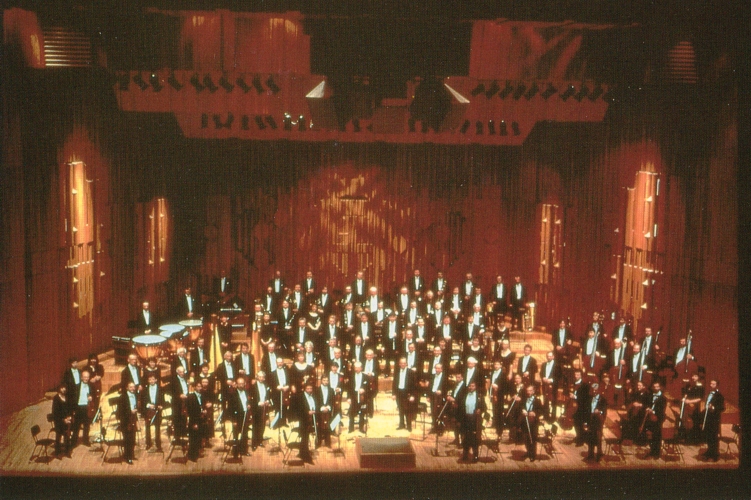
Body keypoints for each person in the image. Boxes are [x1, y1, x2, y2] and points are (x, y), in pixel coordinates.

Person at [458, 381, 486, 463]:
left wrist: (480, 409)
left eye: (473, 386)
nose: (471, 388)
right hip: (466, 418)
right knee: (465, 437)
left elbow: (484, 407)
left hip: (475, 418)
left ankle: (475, 455)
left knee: (474, 438)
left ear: (475, 387)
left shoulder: (479, 396)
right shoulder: (464, 395)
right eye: (470, 386)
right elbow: (461, 407)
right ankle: (465, 455)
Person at [700, 379, 725, 461]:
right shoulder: (708, 394)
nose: (711, 385)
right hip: (708, 418)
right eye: (711, 384)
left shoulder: (719, 396)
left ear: (717, 385)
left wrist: (713, 408)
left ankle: (715, 455)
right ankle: (709, 451)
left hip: (714, 419)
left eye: (713, 384)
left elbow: (722, 408)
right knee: (708, 436)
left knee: (714, 437)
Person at [229, 376, 252, 457]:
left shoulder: (246, 392)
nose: (241, 385)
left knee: (244, 434)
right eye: (239, 384)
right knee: (236, 435)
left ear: (244, 384)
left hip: (245, 415)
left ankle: (243, 450)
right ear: (236, 384)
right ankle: (235, 452)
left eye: (242, 383)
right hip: (237, 417)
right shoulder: (233, 394)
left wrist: (249, 405)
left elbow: (249, 401)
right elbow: (231, 409)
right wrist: (234, 420)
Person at [140, 373, 164, 452]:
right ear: (148, 380)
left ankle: (158, 444)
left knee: (157, 427)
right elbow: (143, 400)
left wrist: (160, 406)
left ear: (156, 380)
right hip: (148, 409)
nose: (151, 381)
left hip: (157, 410)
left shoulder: (160, 389)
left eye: (153, 379)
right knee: (147, 426)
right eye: (150, 379)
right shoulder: (145, 389)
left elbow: (162, 399)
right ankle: (148, 443)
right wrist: (148, 405)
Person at [519, 384, 543, 461]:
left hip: (533, 421)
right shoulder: (524, 399)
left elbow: (541, 410)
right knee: (526, 437)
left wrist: (535, 413)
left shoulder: (537, 400)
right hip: (525, 420)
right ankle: (528, 452)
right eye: (527, 391)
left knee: (532, 437)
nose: (528, 392)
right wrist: (522, 410)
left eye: (530, 391)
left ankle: (533, 454)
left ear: (533, 391)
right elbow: (520, 407)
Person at [392, 357, 417, 432]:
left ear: (406, 364)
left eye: (404, 363)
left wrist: (413, 395)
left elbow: (414, 385)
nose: (403, 364)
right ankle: (401, 424)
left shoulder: (411, 372)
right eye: (401, 363)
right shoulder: (397, 371)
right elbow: (394, 383)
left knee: (407, 410)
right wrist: (394, 394)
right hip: (399, 392)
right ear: (399, 364)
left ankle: (409, 426)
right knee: (400, 409)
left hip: (407, 393)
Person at [644, 381, 667, 458]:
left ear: (660, 387)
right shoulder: (650, 395)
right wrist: (647, 408)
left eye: (657, 387)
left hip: (658, 418)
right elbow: (647, 404)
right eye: (654, 387)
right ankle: (652, 450)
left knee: (657, 435)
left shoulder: (663, 398)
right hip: (650, 417)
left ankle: (656, 453)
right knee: (650, 434)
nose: (656, 388)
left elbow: (662, 410)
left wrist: (653, 411)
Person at [584, 383, 607, 462]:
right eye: (593, 390)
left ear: (599, 390)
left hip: (598, 421)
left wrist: (599, 411)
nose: (594, 392)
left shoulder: (602, 399)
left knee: (598, 438)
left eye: (596, 390)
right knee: (590, 437)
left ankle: (599, 454)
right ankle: (590, 454)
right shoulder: (590, 398)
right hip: (591, 420)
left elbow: (604, 411)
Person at [70, 370, 92, 447]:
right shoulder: (77, 386)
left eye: (87, 377)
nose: (86, 379)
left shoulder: (90, 386)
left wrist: (91, 398)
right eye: (84, 377)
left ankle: (85, 440)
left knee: (86, 425)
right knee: (76, 425)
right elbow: (73, 398)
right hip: (79, 407)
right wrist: (73, 409)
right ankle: (73, 442)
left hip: (86, 407)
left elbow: (93, 396)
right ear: (81, 378)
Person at [118, 382, 139, 464]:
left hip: (133, 419)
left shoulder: (135, 395)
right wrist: (130, 412)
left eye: (133, 387)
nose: (133, 389)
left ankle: (131, 454)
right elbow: (120, 411)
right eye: (131, 387)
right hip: (125, 420)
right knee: (127, 439)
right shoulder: (122, 397)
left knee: (133, 438)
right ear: (127, 388)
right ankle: (127, 457)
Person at [251, 371, 271, 450]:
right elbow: (251, 398)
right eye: (260, 377)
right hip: (256, 408)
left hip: (264, 407)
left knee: (262, 425)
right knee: (255, 425)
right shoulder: (253, 386)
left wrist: (267, 400)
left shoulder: (266, 385)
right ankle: (254, 443)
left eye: (263, 377)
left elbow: (268, 395)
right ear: (257, 377)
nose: (261, 378)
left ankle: (259, 440)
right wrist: (258, 403)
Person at [298, 382, 317, 464]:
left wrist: (314, 410)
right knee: (304, 437)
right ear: (304, 389)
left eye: (311, 388)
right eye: (308, 389)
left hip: (310, 419)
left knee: (306, 437)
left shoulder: (313, 396)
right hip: (303, 420)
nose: (309, 390)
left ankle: (303, 452)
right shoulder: (301, 397)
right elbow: (299, 408)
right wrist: (307, 412)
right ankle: (305, 456)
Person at [347, 361, 369, 433]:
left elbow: (368, 387)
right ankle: (351, 428)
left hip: (362, 396)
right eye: (355, 367)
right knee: (351, 412)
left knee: (362, 412)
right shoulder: (351, 376)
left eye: (358, 367)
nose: (356, 369)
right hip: (353, 395)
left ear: (361, 368)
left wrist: (364, 390)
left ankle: (361, 428)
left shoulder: (366, 377)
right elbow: (349, 388)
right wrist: (348, 398)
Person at [51, 384, 72, 458]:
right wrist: (63, 420)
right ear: (59, 389)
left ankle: (67, 451)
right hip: (59, 421)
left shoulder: (66, 397)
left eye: (64, 388)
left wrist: (69, 417)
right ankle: (57, 452)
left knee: (67, 436)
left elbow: (69, 408)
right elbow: (55, 412)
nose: (64, 389)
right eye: (62, 388)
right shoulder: (56, 398)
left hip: (66, 419)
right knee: (58, 436)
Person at [187, 381, 205, 462]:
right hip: (194, 419)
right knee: (193, 438)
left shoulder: (202, 396)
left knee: (199, 437)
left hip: (200, 419)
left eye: (200, 386)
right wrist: (194, 423)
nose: (200, 388)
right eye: (198, 386)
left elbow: (202, 406)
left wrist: (204, 410)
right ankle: (192, 455)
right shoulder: (191, 397)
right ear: (194, 387)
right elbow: (190, 411)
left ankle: (197, 452)